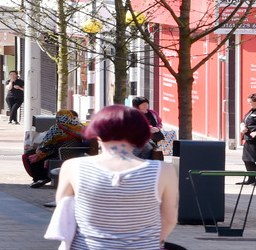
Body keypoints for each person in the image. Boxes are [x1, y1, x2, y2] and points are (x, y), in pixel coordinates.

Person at [54, 105, 177, 250]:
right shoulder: (163, 171)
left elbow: (64, 213)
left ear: (96, 131)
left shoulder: (73, 167)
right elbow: (169, 219)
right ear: (142, 133)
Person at [24, 109, 87, 188]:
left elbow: (47, 142)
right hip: (76, 153)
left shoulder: (56, 128)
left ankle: (41, 178)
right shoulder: (79, 126)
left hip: (60, 154)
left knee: (32, 156)